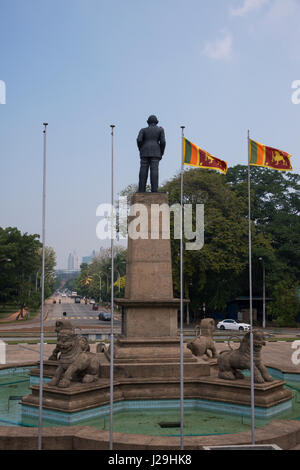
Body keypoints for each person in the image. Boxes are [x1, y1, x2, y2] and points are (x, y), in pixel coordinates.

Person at [137, 115, 166, 192]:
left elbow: (139, 140)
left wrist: (141, 149)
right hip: (156, 151)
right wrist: (161, 152)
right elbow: (163, 142)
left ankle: (141, 189)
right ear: (156, 122)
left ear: (148, 122)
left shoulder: (143, 130)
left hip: (144, 151)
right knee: (154, 170)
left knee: (143, 170)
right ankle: (154, 190)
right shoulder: (160, 130)